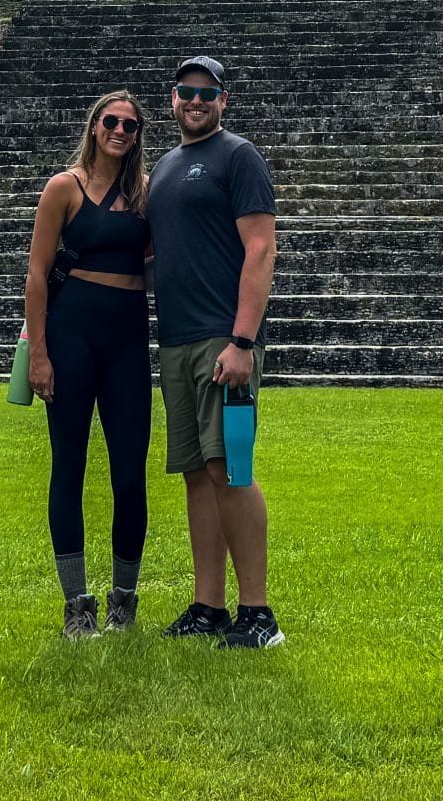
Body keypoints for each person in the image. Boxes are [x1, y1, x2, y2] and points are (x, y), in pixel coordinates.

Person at [144, 56, 282, 649]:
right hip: (176, 341)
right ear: (172, 99)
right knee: (197, 475)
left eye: (206, 93)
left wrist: (243, 341)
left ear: (223, 99)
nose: (194, 101)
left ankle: (259, 613)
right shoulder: (165, 167)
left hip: (223, 340)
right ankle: (209, 606)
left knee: (232, 467)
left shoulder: (238, 156)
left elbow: (261, 249)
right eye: (185, 91)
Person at [23, 89, 153, 640]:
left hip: (127, 335)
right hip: (72, 334)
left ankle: (124, 596)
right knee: (68, 468)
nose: (120, 131)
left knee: (130, 473)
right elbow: (35, 274)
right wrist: (41, 356)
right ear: (94, 126)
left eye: (130, 124)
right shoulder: (64, 188)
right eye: (111, 121)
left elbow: (157, 264)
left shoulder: (147, 194)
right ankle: (76, 603)